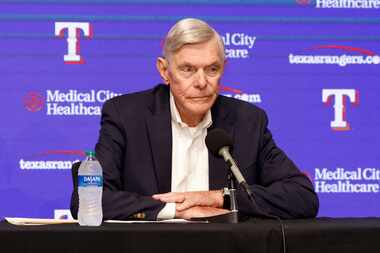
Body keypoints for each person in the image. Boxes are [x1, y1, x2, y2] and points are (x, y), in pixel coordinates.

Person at [71, 18, 319, 220]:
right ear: (164, 70)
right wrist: (176, 210)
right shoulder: (126, 115)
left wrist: (217, 197)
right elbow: (88, 198)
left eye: (212, 69)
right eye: (188, 69)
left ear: (224, 68)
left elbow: (302, 196)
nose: (201, 82)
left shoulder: (248, 121)